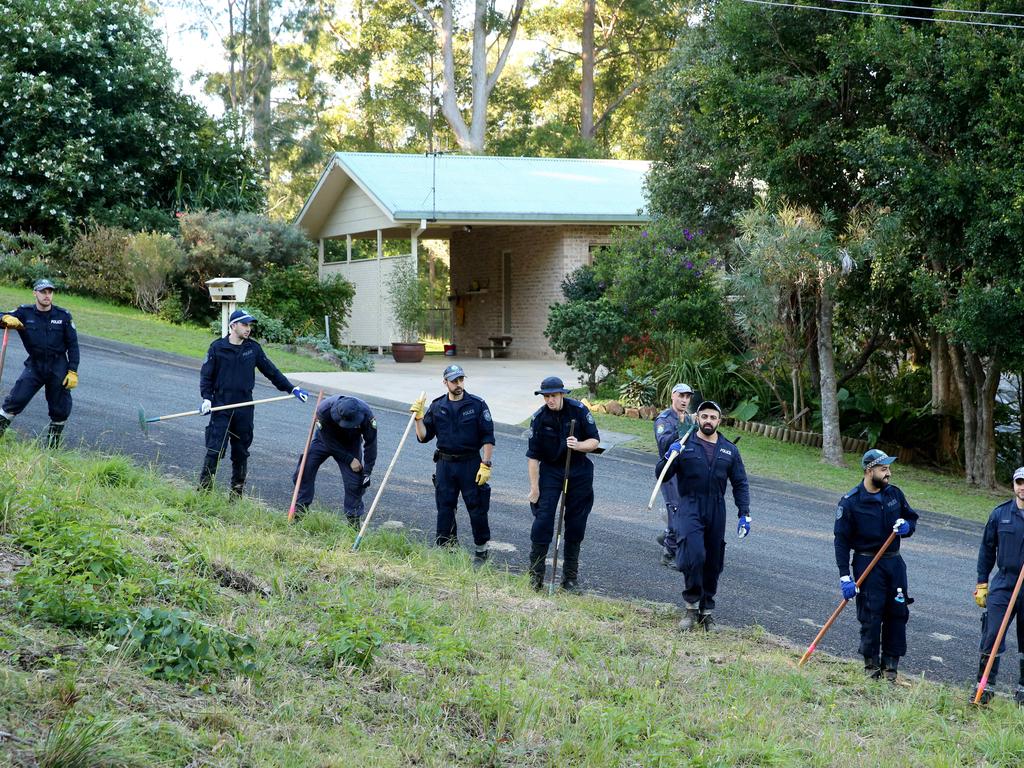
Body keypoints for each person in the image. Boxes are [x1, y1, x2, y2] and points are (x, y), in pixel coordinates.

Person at [198, 308, 308, 496]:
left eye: (249, 325)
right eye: (244, 324)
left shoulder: (253, 349)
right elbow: (206, 376)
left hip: (244, 408)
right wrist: (207, 399)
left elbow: (271, 371)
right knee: (215, 450)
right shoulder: (217, 348)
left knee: (241, 452)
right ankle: (204, 492)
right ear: (233, 326)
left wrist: (292, 388)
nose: (248, 328)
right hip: (221, 406)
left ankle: (236, 494)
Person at [664, 400, 750, 631]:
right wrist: (669, 457)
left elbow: (740, 483)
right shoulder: (684, 444)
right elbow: (661, 476)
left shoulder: (729, 449)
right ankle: (690, 608)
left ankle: (706, 612)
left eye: (713, 417)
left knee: (713, 561)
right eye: (704, 417)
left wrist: (744, 513)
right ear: (698, 419)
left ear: (719, 421)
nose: (708, 421)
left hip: (716, 508)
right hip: (689, 504)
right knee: (694, 555)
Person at [834, 449, 918, 682]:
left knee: (898, 613)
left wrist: (906, 527)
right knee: (872, 614)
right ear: (869, 470)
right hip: (866, 562)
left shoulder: (894, 495)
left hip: (894, 562)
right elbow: (841, 542)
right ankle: (871, 667)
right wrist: (844, 576)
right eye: (884, 469)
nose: (888, 473)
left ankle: (891, 667)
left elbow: (911, 518)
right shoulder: (850, 502)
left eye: (889, 468)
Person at [410, 364, 495, 564]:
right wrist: (418, 419)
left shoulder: (477, 404)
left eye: (461, 380)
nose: (458, 384)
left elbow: (488, 437)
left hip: (470, 463)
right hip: (445, 464)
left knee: (477, 506)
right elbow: (423, 437)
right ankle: (446, 547)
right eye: (454, 381)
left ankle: (481, 550)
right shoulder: (437, 406)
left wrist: (486, 463)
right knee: (445, 506)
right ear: (445, 382)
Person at [525, 376, 601, 592]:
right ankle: (535, 577)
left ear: (562, 394)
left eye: (553, 396)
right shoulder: (539, 418)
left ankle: (569, 579)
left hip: (578, 469)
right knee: (543, 519)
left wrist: (578, 445)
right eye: (546, 396)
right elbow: (533, 456)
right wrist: (534, 488)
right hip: (551, 470)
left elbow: (595, 441)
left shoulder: (579, 411)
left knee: (576, 523)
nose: (549, 400)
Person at [0, 278, 80, 448]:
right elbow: (1, 317)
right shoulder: (24, 312)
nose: (47, 295)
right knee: (15, 401)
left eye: (49, 292)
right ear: (34, 293)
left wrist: (72, 371)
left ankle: (52, 450)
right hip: (35, 365)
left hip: (58, 366)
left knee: (60, 410)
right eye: (43, 292)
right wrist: (5, 318)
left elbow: (73, 346)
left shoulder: (63, 316)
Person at [972, 466, 1024, 705]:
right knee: (992, 634)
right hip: (1004, 583)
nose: (1023, 487)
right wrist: (982, 582)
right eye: (1019, 482)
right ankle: (984, 687)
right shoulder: (999, 514)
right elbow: (986, 550)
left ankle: (1023, 691)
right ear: (1014, 485)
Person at [292, 394, 377, 526]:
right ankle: (298, 514)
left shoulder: (366, 415)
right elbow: (329, 442)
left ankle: (353, 524)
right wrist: (349, 459)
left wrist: (367, 472)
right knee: (304, 471)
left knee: (355, 483)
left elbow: (371, 443)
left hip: (350, 444)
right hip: (324, 440)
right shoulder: (323, 409)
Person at [654, 383, 696, 567]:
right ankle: (669, 553)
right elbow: (664, 444)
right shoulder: (664, 419)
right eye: (681, 396)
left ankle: (667, 534)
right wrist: (678, 432)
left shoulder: (690, 420)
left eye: (687, 397)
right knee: (677, 510)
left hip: (687, 473)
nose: (684, 400)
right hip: (669, 471)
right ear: (673, 396)